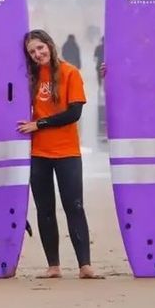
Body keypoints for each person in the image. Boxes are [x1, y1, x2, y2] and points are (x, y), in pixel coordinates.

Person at [19, 29, 101, 279]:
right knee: (45, 209)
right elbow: (4, 96)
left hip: (67, 152)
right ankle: (53, 266)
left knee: (74, 206)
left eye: (40, 48)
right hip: (38, 154)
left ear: (50, 45)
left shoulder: (70, 72)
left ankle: (84, 265)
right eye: (32, 52)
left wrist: (39, 124)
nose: (37, 54)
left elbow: (73, 114)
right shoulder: (30, 76)